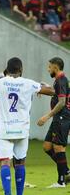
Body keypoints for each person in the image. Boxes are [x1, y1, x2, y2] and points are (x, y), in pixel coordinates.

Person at [0, 57, 54, 195]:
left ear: (7, 69)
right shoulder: (28, 83)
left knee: (5, 161)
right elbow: (52, 91)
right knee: (20, 163)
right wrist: (43, 85)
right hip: (22, 129)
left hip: (4, 129)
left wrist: (0, 118)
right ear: (21, 69)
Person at [37, 57, 70, 188]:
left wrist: (46, 116)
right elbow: (57, 94)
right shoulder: (59, 81)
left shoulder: (61, 80)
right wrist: (45, 87)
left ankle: (61, 181)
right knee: (47, 146)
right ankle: (66, 170)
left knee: (58, 148)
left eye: (49, 67)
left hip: (62, 117)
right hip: (59, 118)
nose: (48, 69)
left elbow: (62, 102)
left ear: (56, 67)